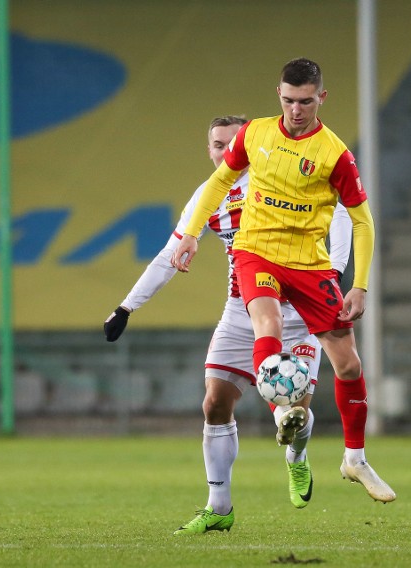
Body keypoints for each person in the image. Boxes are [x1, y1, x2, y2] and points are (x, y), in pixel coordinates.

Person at [103, 115, 353, 535]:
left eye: (232, 143)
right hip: (242, 310)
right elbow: (171, 254)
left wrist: (339, 271)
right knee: (214, 404)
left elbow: (343, 212)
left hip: (297, 311)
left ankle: (297, 459)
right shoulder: (210, 195)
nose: (224, 151)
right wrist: (127, 306)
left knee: (292, 410)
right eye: (217, 145)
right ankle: (219, 506)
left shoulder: (287, 180)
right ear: (210, 151)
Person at [172, 58, 396, 506]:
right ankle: (284, 414)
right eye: (289, 100)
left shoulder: (334, 154)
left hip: (310, 265)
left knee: (349, 363)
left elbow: (363, 222)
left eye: (306, 101)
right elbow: (219, 182)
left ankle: (354, 458)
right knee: (267, 323)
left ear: (321, 99)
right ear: (279, 94)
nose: (296, 110)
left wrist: (361, 284)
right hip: (255, 254)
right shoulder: (255, 133)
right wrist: (191, 234)